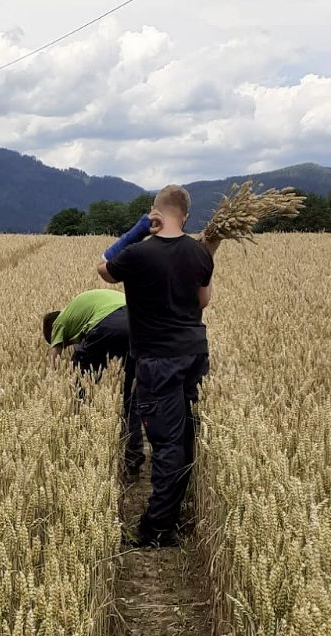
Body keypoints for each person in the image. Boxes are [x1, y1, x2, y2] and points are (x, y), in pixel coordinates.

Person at [97, 185, 219, 547]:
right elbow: (204, 300)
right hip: (195, 353)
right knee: (185, 437)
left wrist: (136, 231)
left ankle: (157, 528)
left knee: (166, 443)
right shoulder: (199, 252)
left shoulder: (137, 254)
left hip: (157, 359)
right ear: (186, 215)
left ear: (155, 212)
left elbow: (103, 267)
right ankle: (170, 515)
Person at [42, 289, 145, 479]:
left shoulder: (59, 322)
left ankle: (80, 443)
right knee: (131, 397)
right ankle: (133, 462)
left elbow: (54, 356)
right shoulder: (80, 313)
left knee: (78, 386)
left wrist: (53, 386)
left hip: (107, 324)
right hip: (139, 323)